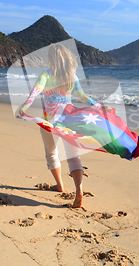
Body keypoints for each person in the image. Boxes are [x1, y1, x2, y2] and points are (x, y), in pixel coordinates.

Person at [15, 43, 110, 208]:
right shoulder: (72, 76)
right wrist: (100, 106)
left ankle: (59, 185)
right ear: (66, 58)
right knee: (73, 156)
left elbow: (33, 94)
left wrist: (23, 109)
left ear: (51, 59)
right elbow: (82, 97)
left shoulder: (45, 75)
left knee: (51, 153)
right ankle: (79, 190)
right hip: (67, 120)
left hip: (49, 122)